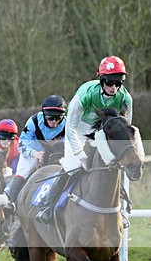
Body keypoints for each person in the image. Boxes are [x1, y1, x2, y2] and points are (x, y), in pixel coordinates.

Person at [36, 56, 133, 224]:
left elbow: (126, 130)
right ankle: (48, 206)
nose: (114, 87)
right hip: (78, 132)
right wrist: (81, 156)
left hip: (102, 133)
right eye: (110, 82)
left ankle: (122, 211)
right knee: (72, 166)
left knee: (119, 165)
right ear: (101, 79)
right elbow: (71, 129)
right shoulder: (85, 95)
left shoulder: (126, 99)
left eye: (118, 83)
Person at [4, 95, 67, 204]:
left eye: (58, 118)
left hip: (55, 154)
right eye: (50, 118)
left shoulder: (67, 124)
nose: (54, 122)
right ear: (43, 114)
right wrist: (35, 154)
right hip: (32, 152)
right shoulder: (34, 121)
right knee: (24, 171)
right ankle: (10, 202)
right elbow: (21, 145)